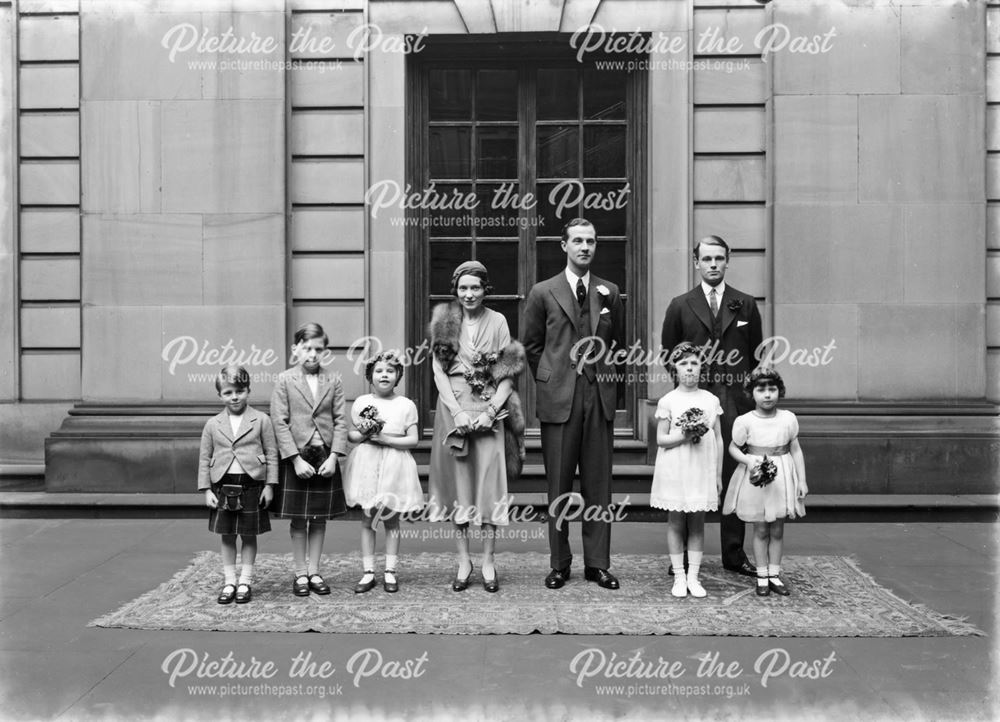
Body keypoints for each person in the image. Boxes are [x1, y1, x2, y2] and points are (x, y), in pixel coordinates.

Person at [523, 217, 627, 590]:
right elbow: (532, 347)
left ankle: (598, 563)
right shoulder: (543, 292)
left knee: (599, 486)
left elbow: (619, 347)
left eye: (592, 241)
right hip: (560, 400)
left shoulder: (609, 292)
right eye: (578, 241)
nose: (585, 247)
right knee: (560, 485)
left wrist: (606, 382)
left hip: (598, 398)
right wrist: (552, 378)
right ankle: (560, 563)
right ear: (563, 245)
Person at [660, 235, 762, 577]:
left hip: (735, 402)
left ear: (728, 260)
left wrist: (746, 397)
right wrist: (687, 395)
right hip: (695, 401)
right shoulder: (680, 304)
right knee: (691, 474)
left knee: (733, 475)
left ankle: (734, 554)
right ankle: (686, 559)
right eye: (707, 259)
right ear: (696, 263)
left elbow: (756, 356)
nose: (713, 264)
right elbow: (668, 355)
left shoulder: (745, 304)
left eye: (719, 258)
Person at [428, 261, 525, 593]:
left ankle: (487, 560)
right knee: (459, 487)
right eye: (463, 288)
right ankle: (463, 560)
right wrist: (455, 412)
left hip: (488, 411)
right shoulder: (444, 320)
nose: (469, 294)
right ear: (455, 289)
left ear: (486, 289)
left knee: (488, 486)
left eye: (476, 288)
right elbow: (438, 372)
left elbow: (508, 373)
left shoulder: (497, 321)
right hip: (454, 411)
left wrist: (492, 410)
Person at [270, 322, 348, 597]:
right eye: (307, 349)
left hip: (324, 456)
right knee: (299, 519)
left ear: (325, 351)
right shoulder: (284, 380)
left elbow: (340, 421)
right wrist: (294, 460)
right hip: (299, 458)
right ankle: (300, 573)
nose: (313, 355)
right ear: (296, 349)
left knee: (319, 518)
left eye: (318, 349)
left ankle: (314, 571)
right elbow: (279, 422)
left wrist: (335, 456)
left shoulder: (334, 380)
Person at [723, 367, 808, 596]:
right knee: (761, 528)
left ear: (779, 391)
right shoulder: (745, 421)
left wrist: (802, 480)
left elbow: (796, 450)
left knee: (777, 529)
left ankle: (774, 574)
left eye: (772, 389)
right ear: (752, 393)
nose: (768, 395)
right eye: (761, 390)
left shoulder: (788, 419)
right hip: (758, 479)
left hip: (781, 477)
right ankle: (761, 574)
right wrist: (749, 461)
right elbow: (733, 447)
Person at [197, 365, 278, 605]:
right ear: (220, 395)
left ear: (248, 390)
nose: (235, 397)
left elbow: (272, 453)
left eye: (240, 391)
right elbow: (204, 457)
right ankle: (230, 580)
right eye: (228, 392)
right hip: (223, 485)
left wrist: (270, 485)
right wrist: (207, 490)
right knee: (228, 535)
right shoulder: (213, 424)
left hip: (252, 484)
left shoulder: (261, 420)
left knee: (249, 534)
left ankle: (245, 581)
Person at [344, 351, 423, 594]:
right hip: (368, 462)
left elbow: (413, 440)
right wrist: (366, 433)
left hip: (394, 464)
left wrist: (387, 438)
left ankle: (390, 570)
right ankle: (368, 571)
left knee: (391, 519)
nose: (384, 375)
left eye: (390, 371)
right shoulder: (362, 403)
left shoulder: (406, 405)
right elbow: (352, 436)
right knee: (368, 519)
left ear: (398, 375)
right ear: (370, 376)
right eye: (379, 371)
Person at [651, 343, 724, 598]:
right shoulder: (669, 400)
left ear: (701, 367)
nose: (690, 368)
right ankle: (679, 577)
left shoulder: (710, 400)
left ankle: (694, 576)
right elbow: (661, 439)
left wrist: (717, 474)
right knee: (676, 521)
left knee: (697, 523)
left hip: (701, 467)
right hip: (677, 466)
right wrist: (684, 434)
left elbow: (718, 438)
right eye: (684, 364)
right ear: (675, 369)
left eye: (694, 363)